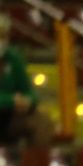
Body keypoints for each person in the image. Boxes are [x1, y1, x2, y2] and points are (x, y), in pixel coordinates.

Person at [0, 14, 48, 148]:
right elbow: (11, 99)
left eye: (3, 36)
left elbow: (29, 91)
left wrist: (28, 101)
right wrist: (11, 100)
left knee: (41, 120)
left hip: (9, 116)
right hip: (8, 106)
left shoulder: (13, 58)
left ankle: (38, 160)